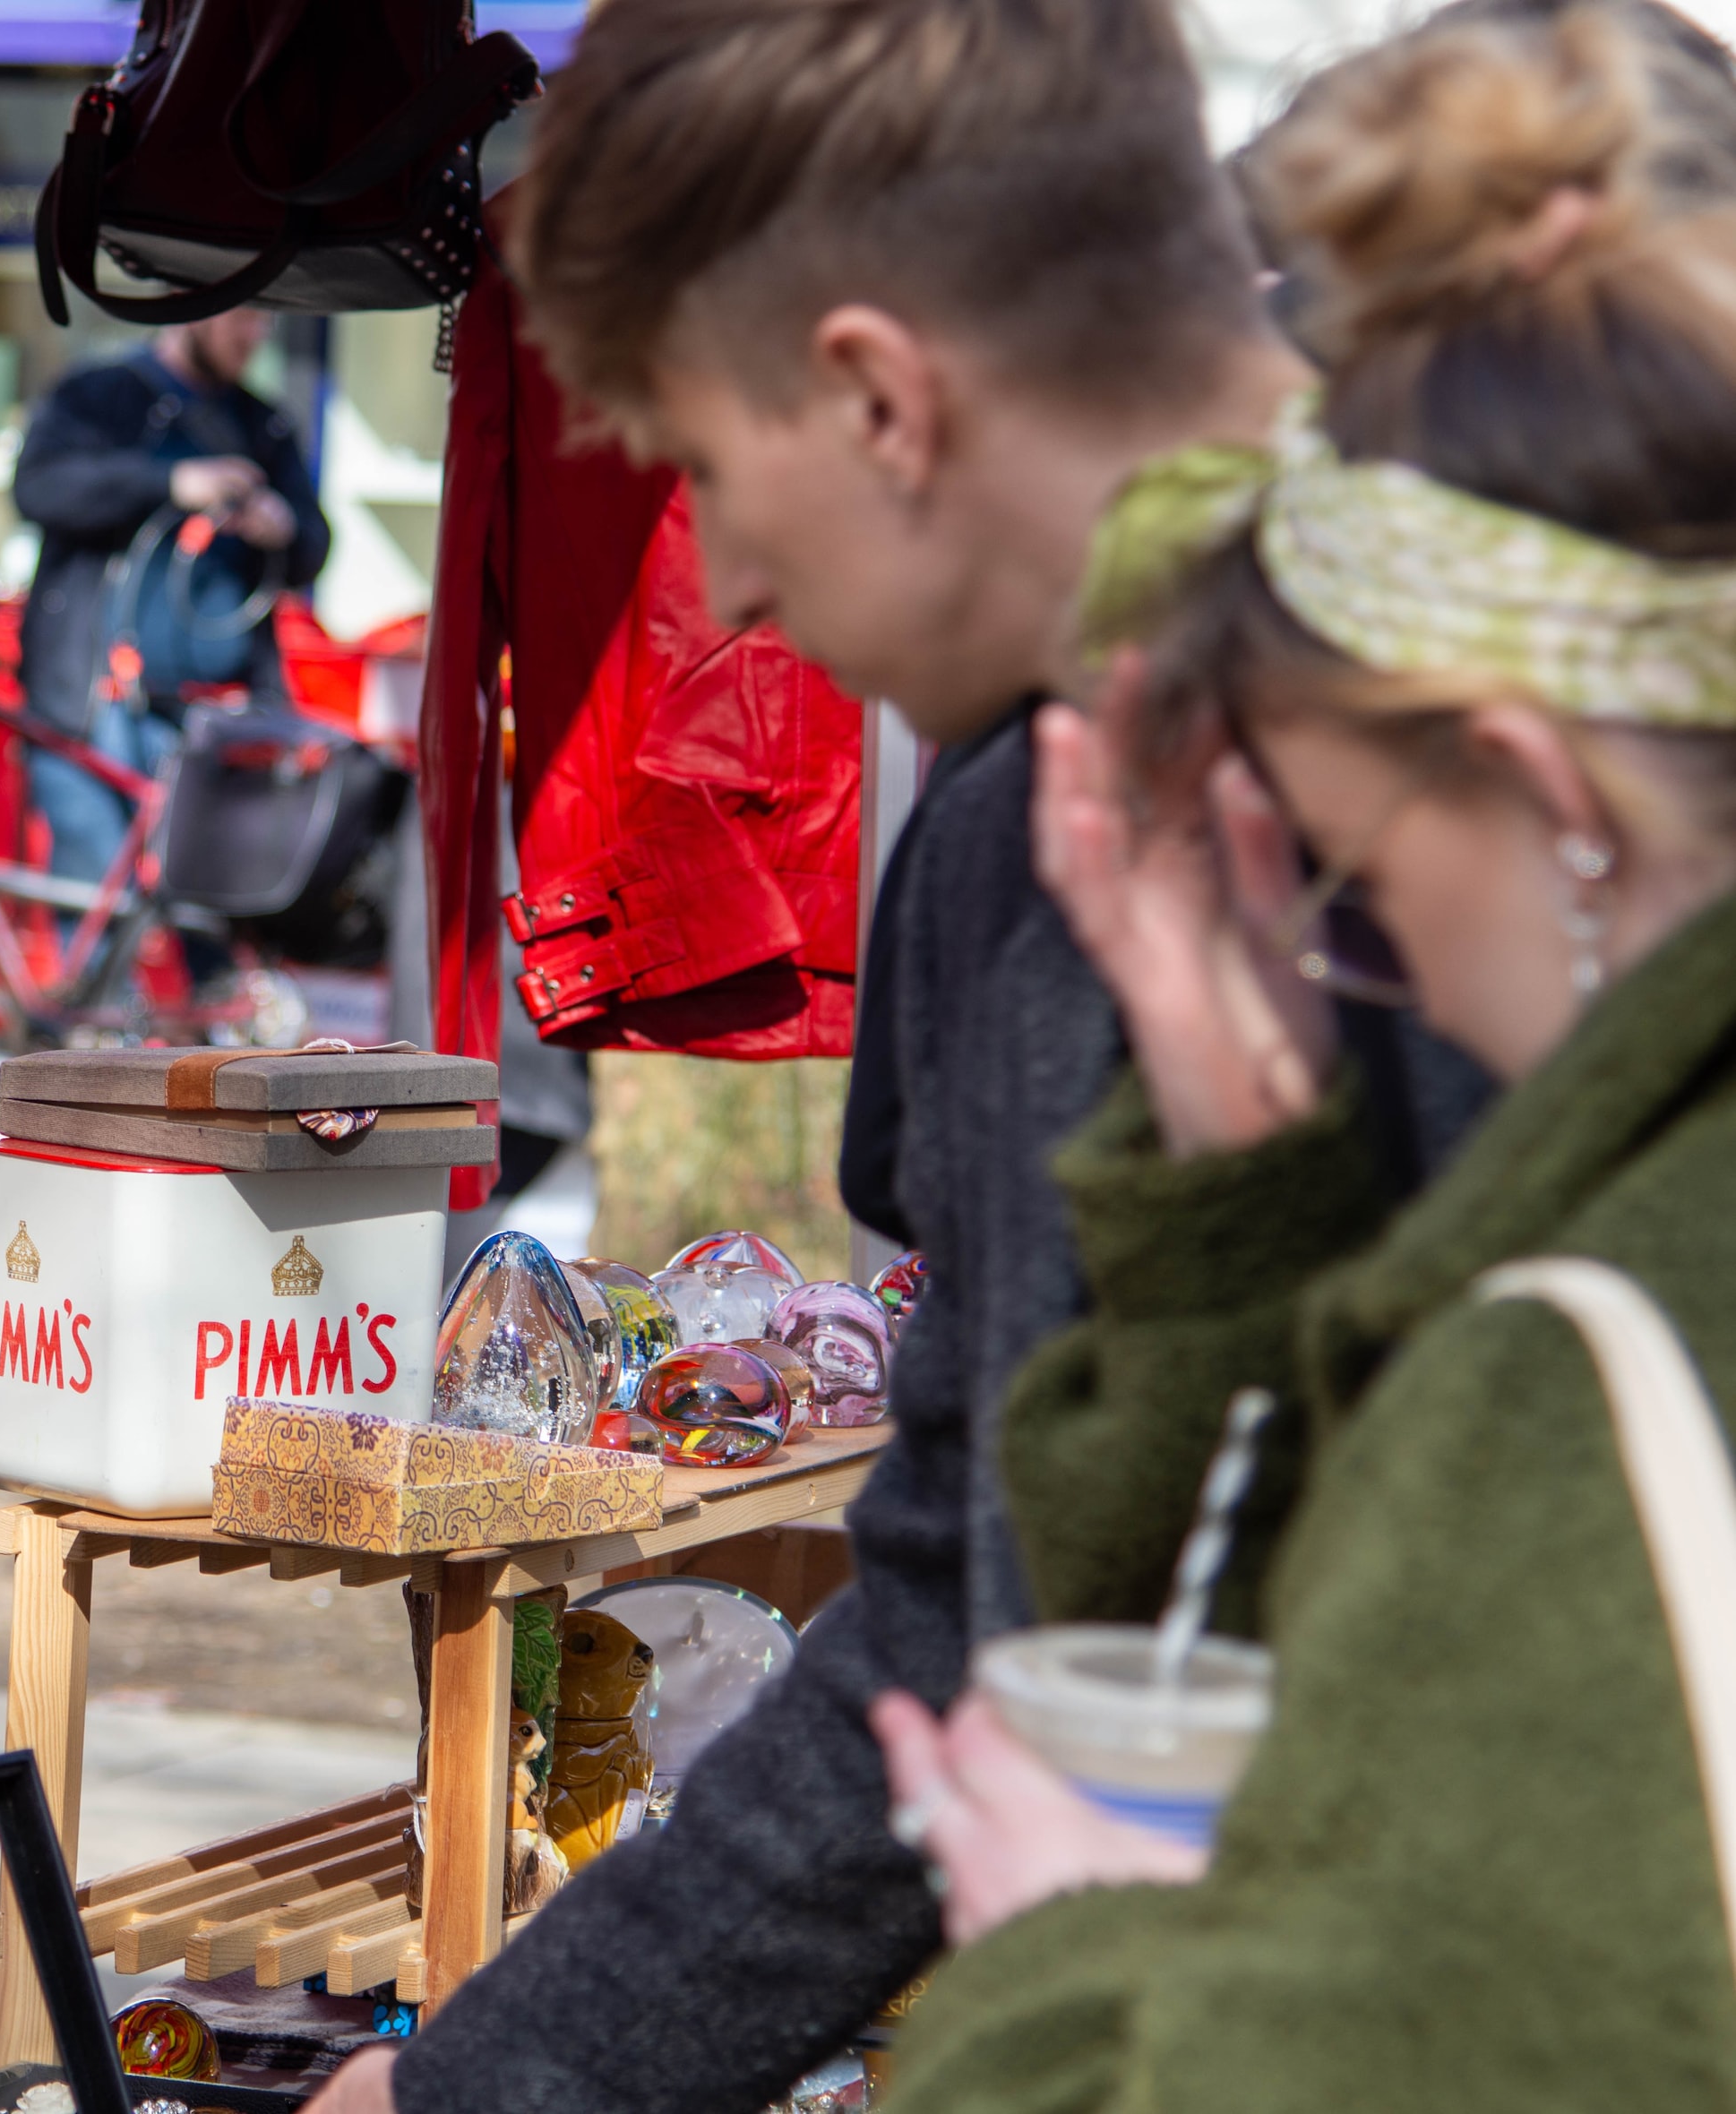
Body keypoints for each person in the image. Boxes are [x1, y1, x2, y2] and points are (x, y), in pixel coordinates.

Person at [307, 0, 1471, 2106]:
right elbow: (959, 1601)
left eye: (699, 484)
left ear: (871, 396)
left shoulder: (1482, 751)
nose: (729, 584)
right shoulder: (1011, 826)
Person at [870, 7, 1736, 2101]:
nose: (1376, 975)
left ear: (1544, 793)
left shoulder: (1565, 1384)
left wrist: (1055, 1971)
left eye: (1350, 873)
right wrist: (1235, 1203)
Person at [9, 307, 329, 883]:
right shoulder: (97, 395)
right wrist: (170, 483)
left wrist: (281, 527)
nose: (254, 336)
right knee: (98, 895)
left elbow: (313, 549)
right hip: (92, 701)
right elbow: (38, 489)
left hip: (213, 714)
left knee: (206, 913)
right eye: (242, 319)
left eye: (265, 323)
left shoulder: (263, 424)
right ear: (193, 309)